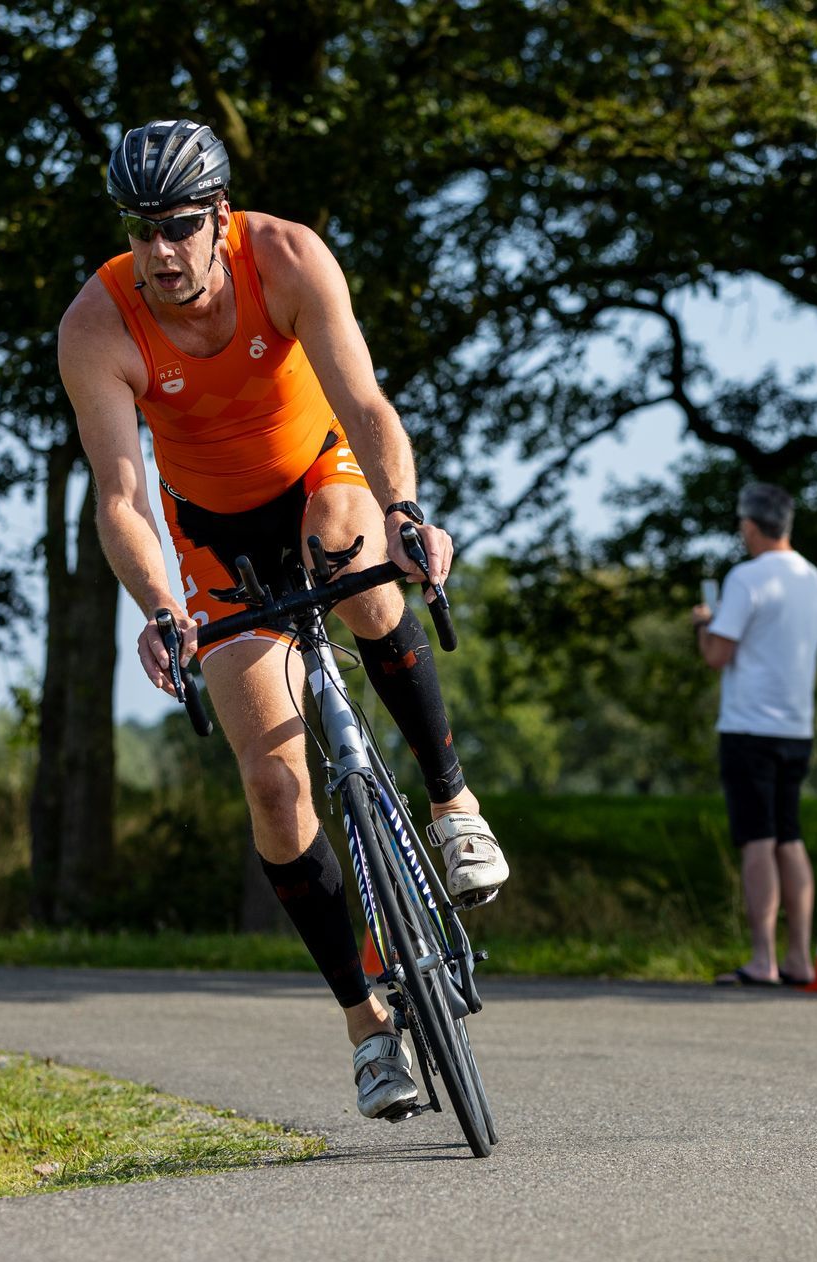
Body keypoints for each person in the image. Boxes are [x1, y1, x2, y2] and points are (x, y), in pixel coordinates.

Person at [57, 119, 509, 1123]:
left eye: (181, 226)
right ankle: (366, 1024)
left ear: (221, 217)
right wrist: (161, 607)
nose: (163, 252)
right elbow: (123, 497)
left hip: (318, 473)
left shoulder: (289, 255)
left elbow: (367, 400)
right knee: (269, 779)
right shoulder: (97, 322)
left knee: (355, 562)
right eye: (143, 231)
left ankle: (452, 806)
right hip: (212, 531)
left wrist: (407, 512)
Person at [691, 483, 817, 988]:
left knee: (757, 841)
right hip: (798, 725)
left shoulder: (747, 577)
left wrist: (704, 625)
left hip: (749, 725)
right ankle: (800, 957)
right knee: (790, 839)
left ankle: (762, 959)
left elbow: (717, 656)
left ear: (750, 526)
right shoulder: (816, 579)